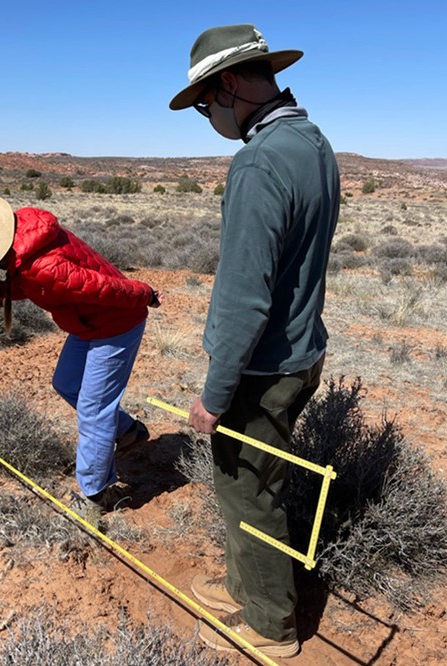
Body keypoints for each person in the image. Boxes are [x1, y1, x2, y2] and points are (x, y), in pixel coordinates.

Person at [169, 24, 340, 658]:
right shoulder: (311, 141)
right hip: (301, 352)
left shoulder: (259, 160)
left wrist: (214, 398)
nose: (208, 119)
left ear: (228, 85)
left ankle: (271, 623)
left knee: (248, 489)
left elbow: (245, 296)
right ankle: (245, 583)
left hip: (264, 367)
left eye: (204, 107)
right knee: (250, 481)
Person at [0, 197, 163, 525]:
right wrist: (5, 290)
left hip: (116, 321)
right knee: (67, 383)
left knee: (93, 408)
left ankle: (97, 494)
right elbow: (34, 280)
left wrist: (145, 293)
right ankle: (128, 432)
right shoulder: (22, 235)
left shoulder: (44, 267)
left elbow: (100, 288)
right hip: (86, 321)